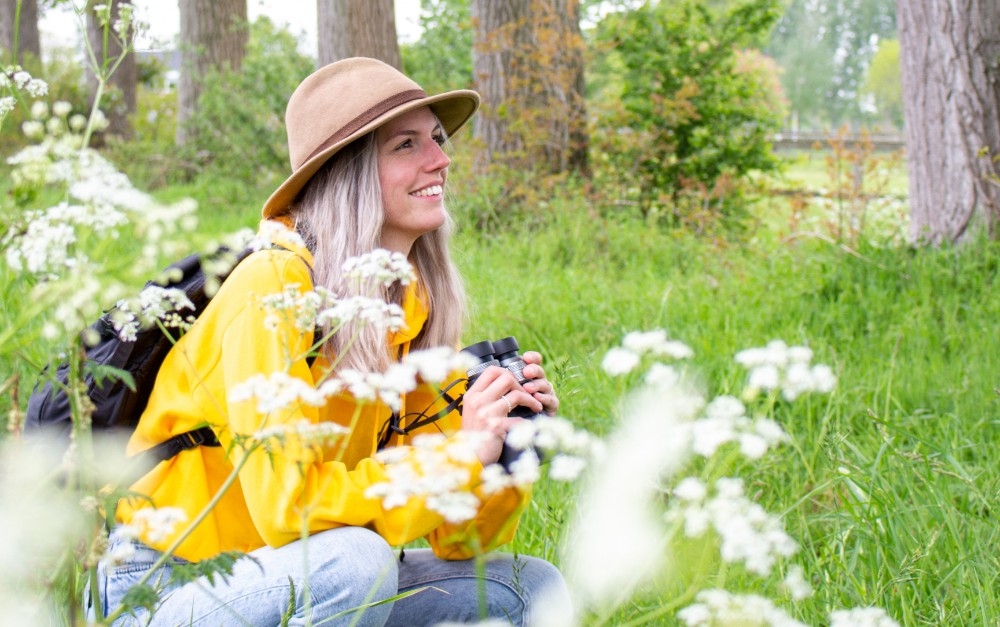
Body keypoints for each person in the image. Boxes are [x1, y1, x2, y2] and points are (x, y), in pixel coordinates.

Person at [89, 57, 571, 626]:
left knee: (527, 588)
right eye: (406, 145)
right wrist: (455, 456)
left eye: (437, 140)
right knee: (357, 564)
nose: (441, 159)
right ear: (349, 171)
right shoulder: (272, 288)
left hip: (294, 575)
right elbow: (289, 515)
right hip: (165, 585)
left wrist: (506, 453)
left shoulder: (412, 311)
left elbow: (459, 541)